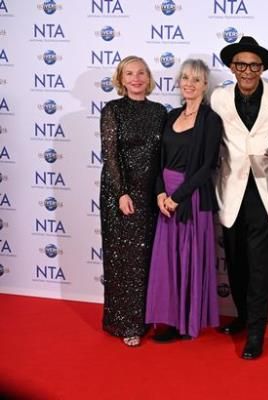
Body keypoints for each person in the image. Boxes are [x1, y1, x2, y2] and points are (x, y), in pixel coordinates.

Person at [211, 36, 268, 359]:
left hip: (266, 192)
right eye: (241, 64)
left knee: (261, 266)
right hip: (231, 190)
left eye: (254, 65)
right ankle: (242, 316)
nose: (248, 70)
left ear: (262, 68)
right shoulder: (218, 98)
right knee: (237, 261)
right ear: (232, 67)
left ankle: (255, 331)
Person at [145, 59, 222, 341]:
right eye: (185, 77)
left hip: (191, 197)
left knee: (189, 257)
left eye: (196, 79)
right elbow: (158, 160)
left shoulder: (210, 119)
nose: (189, 83)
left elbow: (207, 166)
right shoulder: (170, 115)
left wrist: (178, 196)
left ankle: (186, 322)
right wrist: (161, 193)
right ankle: (168, 317)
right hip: (166, 196)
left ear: (205, 85)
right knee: (167, 260)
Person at [100, 56, 166, 347]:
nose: (136, 78)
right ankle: (125, 323)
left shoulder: (159, 111)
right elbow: (110, 154)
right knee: (124, 262)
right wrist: (121, 193)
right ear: (121, 78)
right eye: (130, 73)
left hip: (151, 193)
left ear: (148, 77)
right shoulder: (112, 110)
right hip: (121, 194)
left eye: (141, 73)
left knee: (147, 259)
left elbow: (164, 155)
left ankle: (147, 316)